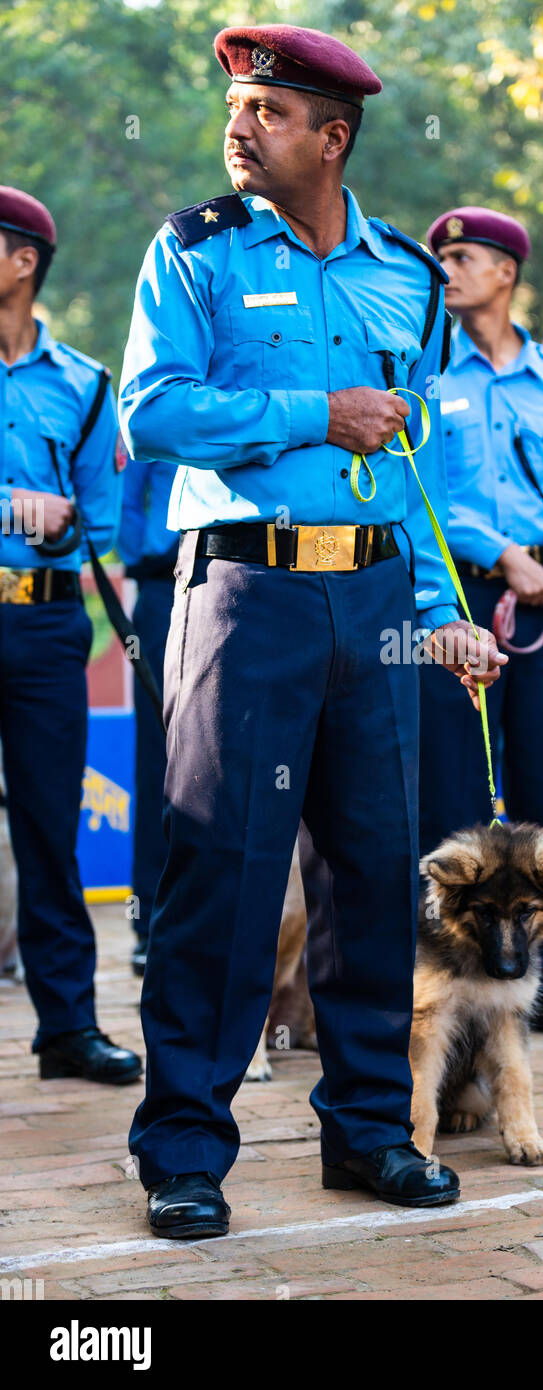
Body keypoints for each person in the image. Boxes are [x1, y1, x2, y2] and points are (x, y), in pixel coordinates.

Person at [119, 24, 505, 1238]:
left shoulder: (404, 271)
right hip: (246, 592)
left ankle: (370, 1134)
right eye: (238, 106)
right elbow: (156, 411)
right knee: (222, 875)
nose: (242, 126)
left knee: (373, 875)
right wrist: (310, 411)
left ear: (332, 137)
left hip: (379, 598)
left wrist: (442, 609)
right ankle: (185, 1149)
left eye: (270, 112)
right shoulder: (196, 254)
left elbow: (416, 460)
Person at [417, 206, 543, 1040]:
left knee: (540, 793)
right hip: (454, 599)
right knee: (458, 795)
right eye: (442, 258)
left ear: (506, 271)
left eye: (463, 257)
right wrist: (500, 552)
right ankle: (450, 981)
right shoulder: (423, 374)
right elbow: (421, 492)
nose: (447, 270)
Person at [0, 186, 140, 1085]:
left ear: (22, 262)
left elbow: (109, 519)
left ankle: (68, 1030)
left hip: (47, 624)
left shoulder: (87, 386)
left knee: (52, 827)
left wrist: (62, 524)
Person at [116, 453, 179, 976]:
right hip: (165, 590)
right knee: (159, 764)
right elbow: (124, 497)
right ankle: (151, 924)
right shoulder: (164, 384)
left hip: (248, 578)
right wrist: (148, 554)